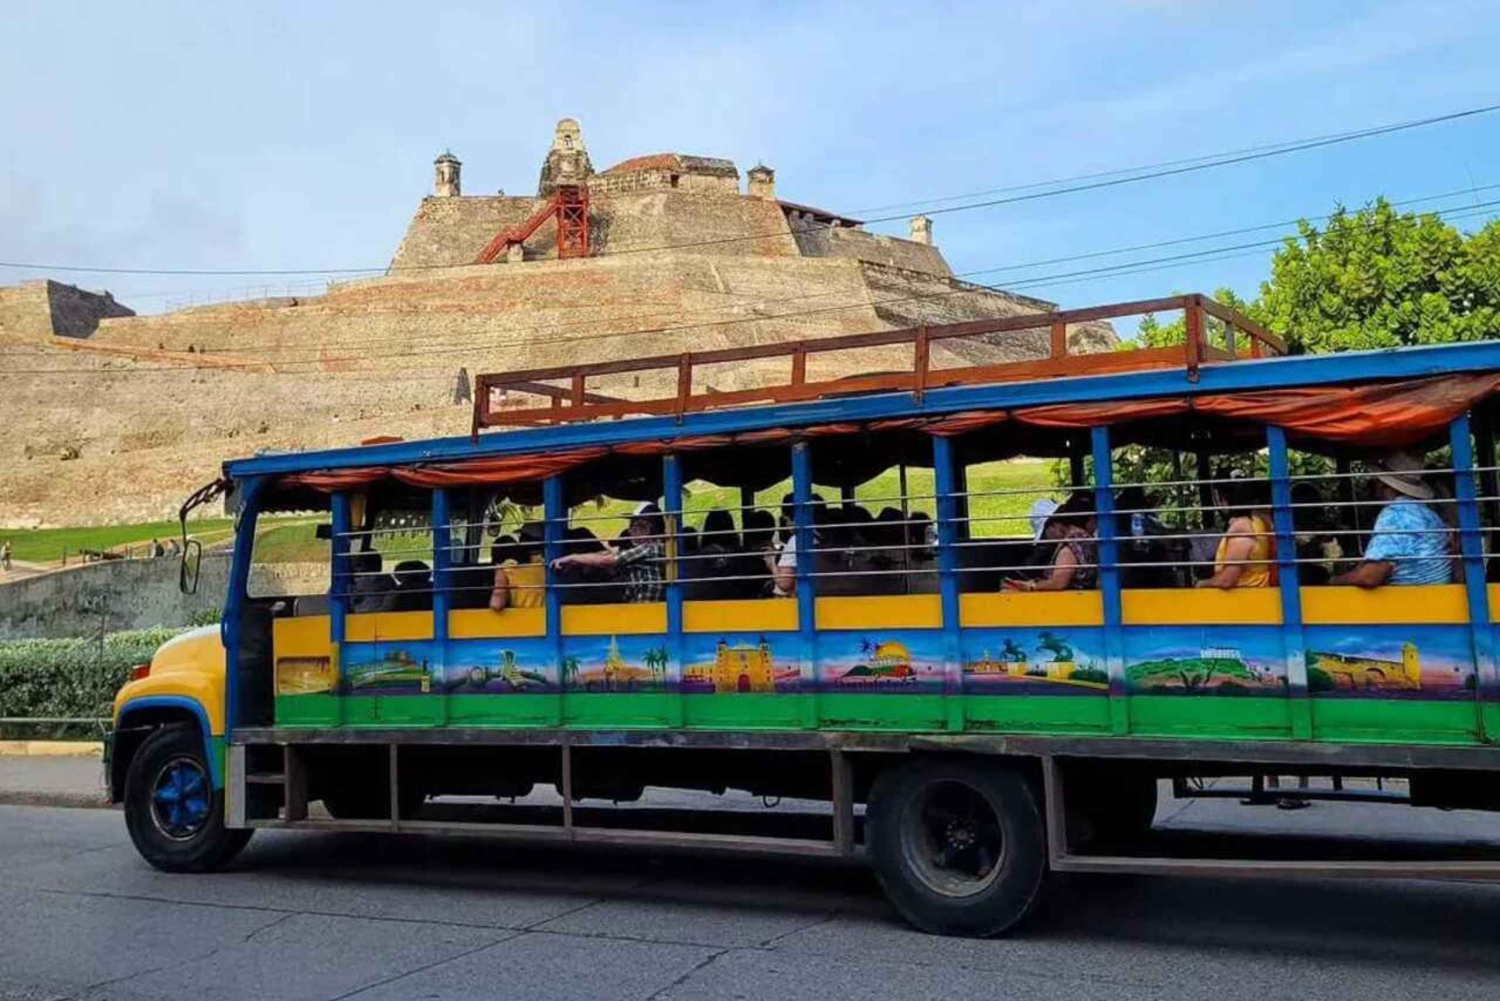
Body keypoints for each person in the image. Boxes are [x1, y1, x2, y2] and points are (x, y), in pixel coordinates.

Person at [1331, 452, 1453, 587]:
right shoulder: (1428, 513)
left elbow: (1370, 577)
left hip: (1407, 600)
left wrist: (1334, 581)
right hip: (1436, 596)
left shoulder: (1395, 515)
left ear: (1382, 485)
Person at [550, 502, 665, 603]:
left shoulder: (653, 548)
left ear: (655, 530)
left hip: (644, 605)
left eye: (642, 528)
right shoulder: (638, 549)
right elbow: (606, 554)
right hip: (634, 602)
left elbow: (607, 560)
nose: (635, 533)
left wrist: (573, 558)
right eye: (633, 527)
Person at [1003, 492, 1097, 592]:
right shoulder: (1088, 542)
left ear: (1057, 525)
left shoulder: (1071, 547)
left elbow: (1059, 582)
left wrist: (1030, 586)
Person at [1196, 473, 1275, 589]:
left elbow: (1227, 580)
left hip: (1243, 596)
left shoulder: (1242, 528)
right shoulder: (1260, 522)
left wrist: (1201, 584)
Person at [489, 522, 546, 610]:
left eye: (522, 537)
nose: (519, 540)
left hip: (522, 618)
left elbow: (497, 603)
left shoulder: (506, 568)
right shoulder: (548, 564)